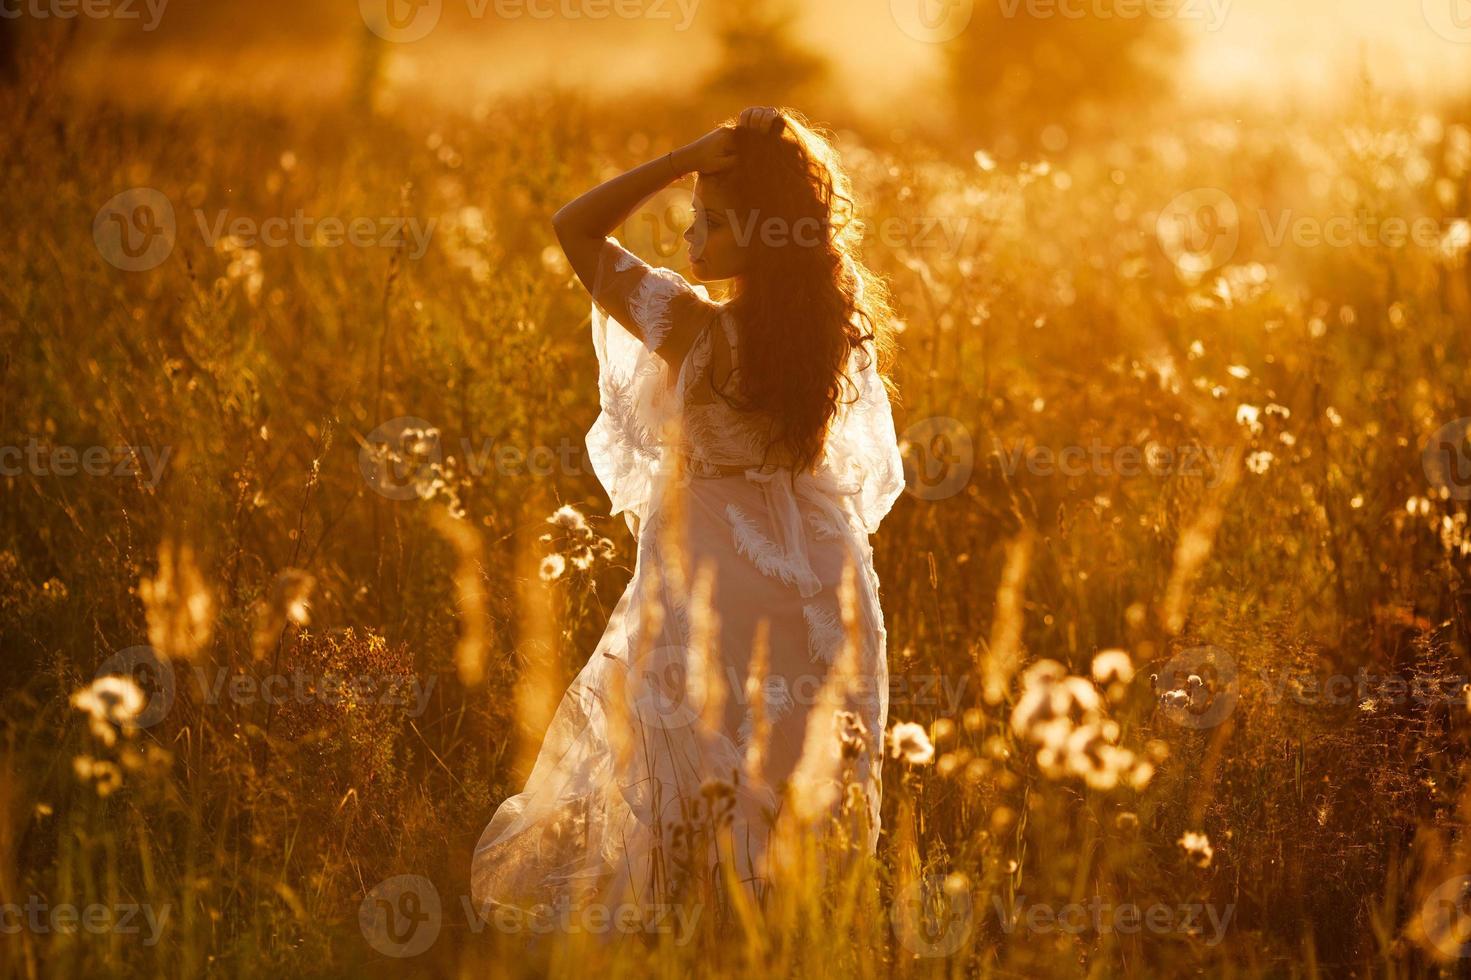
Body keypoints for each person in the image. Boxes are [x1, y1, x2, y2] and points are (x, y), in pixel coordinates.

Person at [471, 106, 904, 925]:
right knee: (795, 761)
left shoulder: (691, 329)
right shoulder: (834, 331)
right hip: (819, 571)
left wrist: (679, 159)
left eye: (707, 222)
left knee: (693, 756)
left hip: (711, 568)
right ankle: (783, 931)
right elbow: (863, 480)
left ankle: (692, 927)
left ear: (754, 230)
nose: (688, 240)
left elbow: (576, 226)